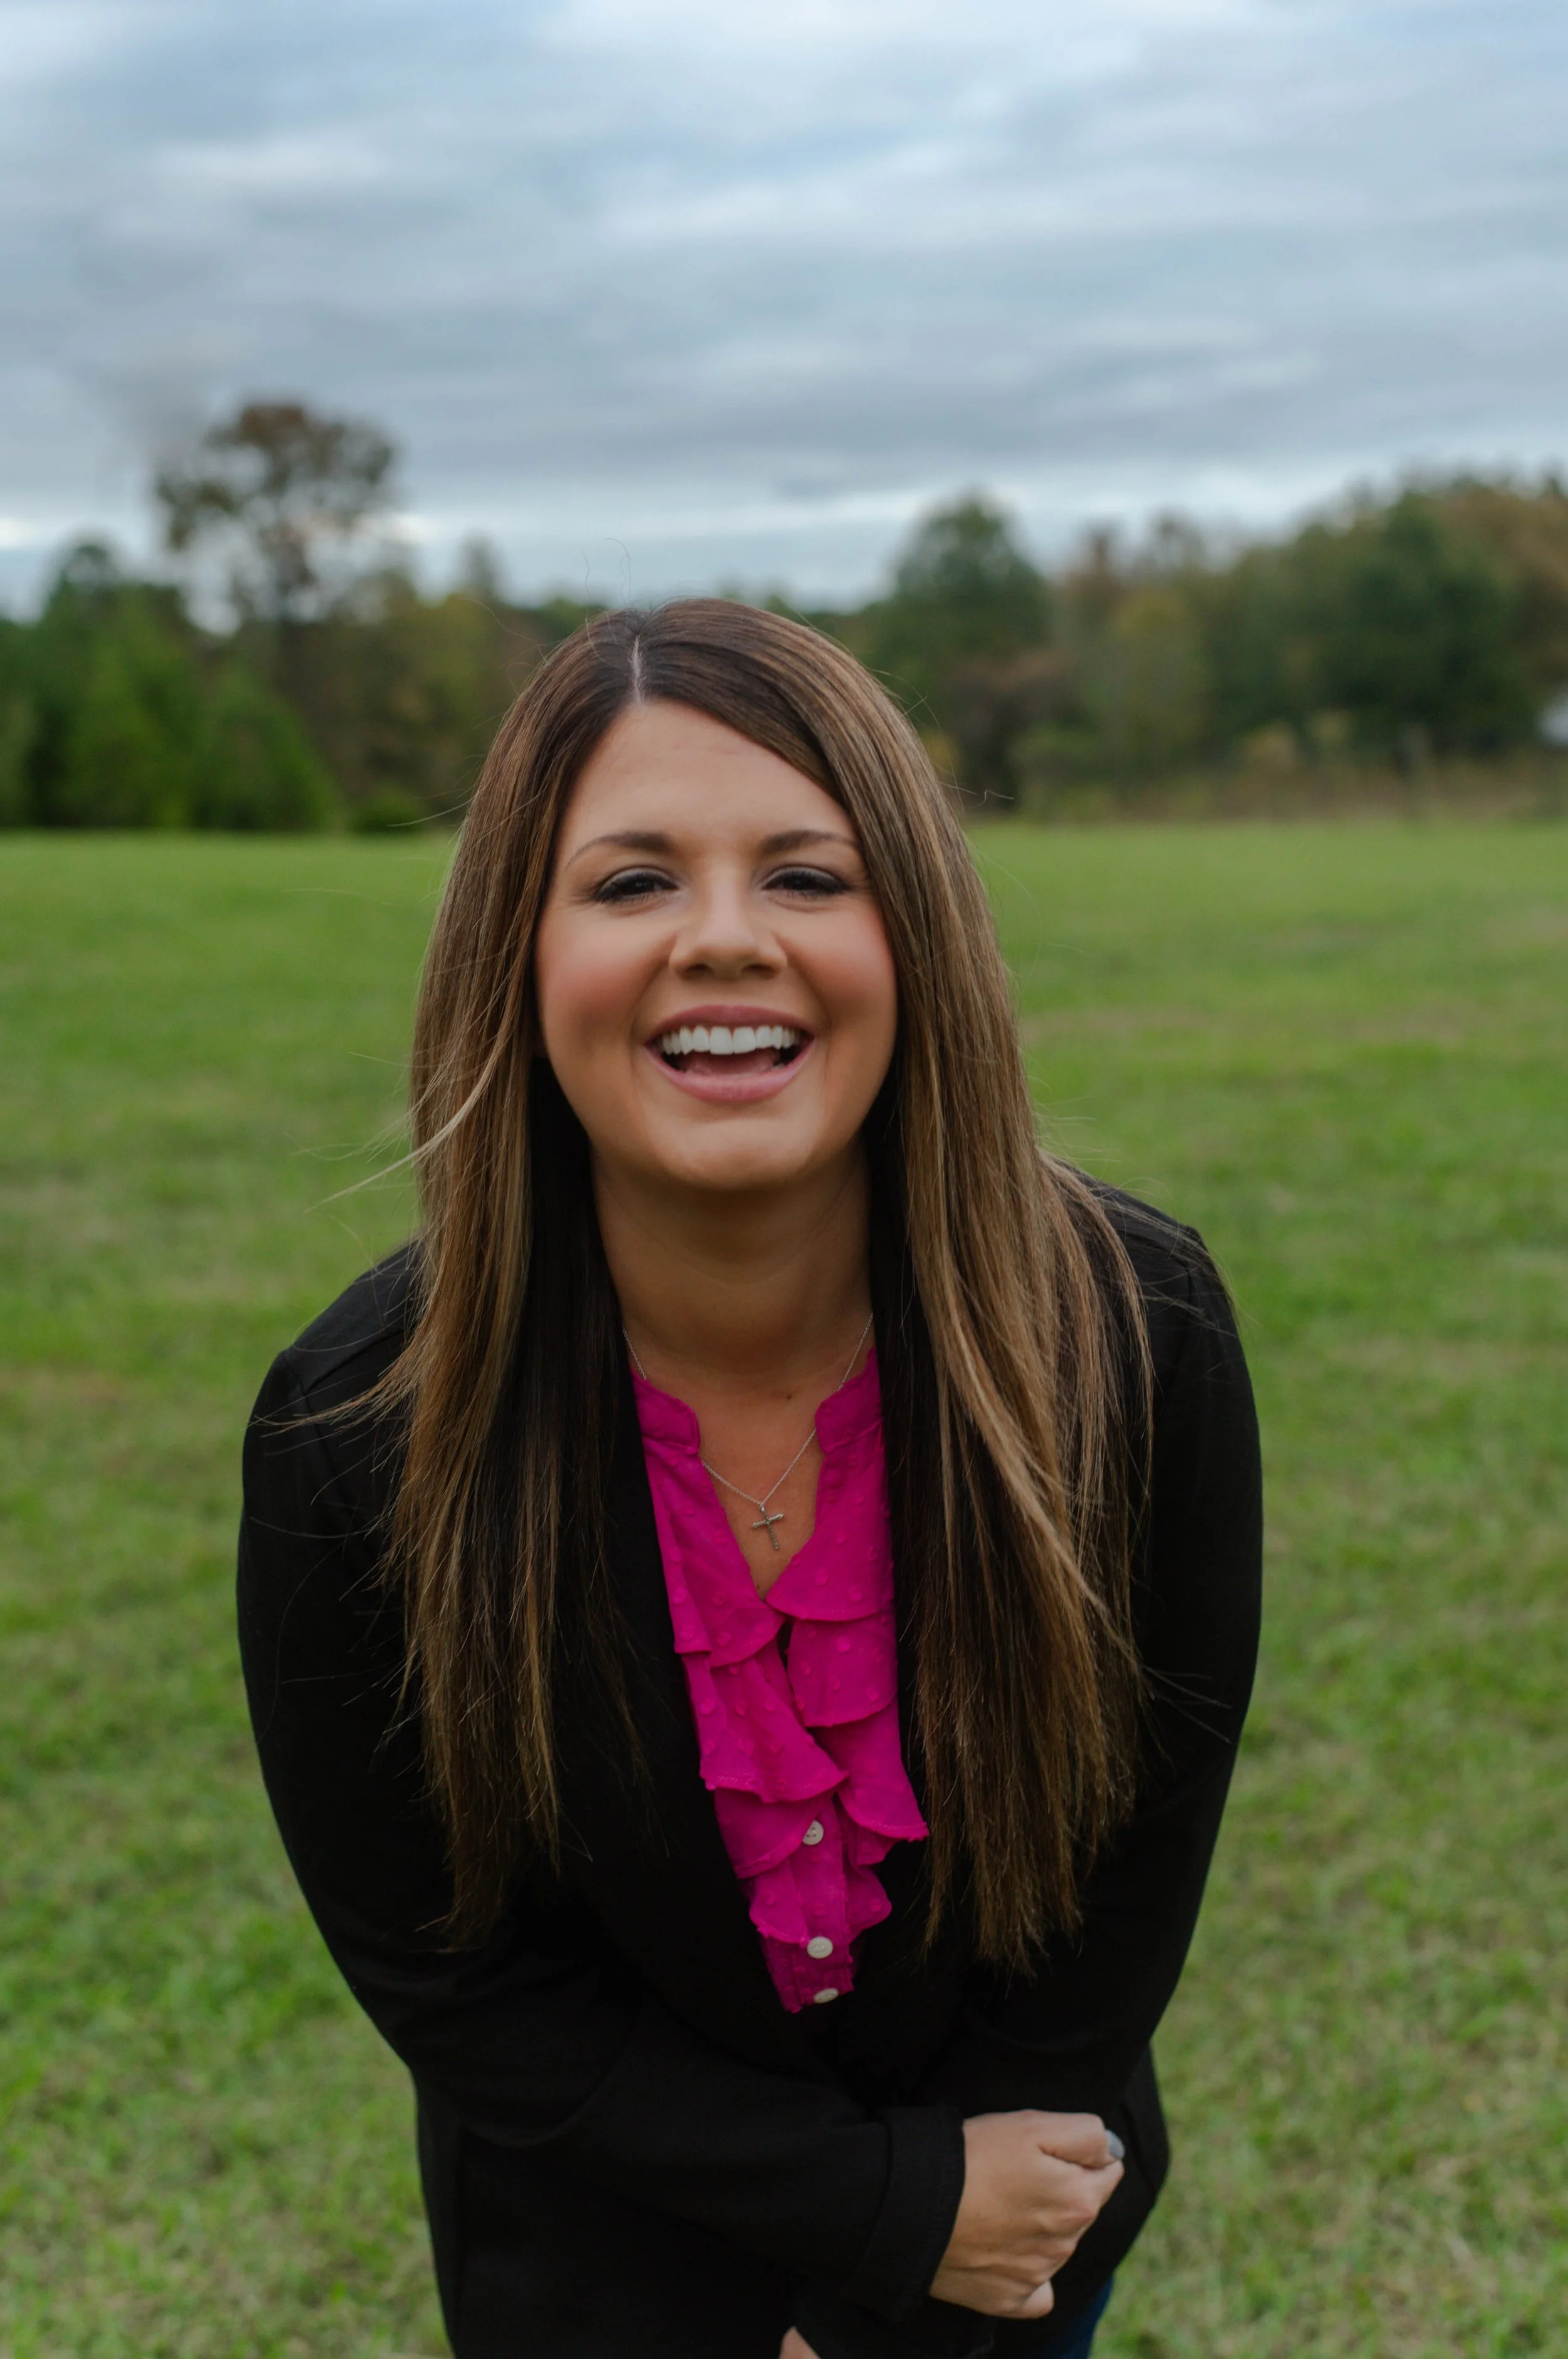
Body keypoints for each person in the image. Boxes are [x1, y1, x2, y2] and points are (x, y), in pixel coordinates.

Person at [238, 600, 1261, 2359]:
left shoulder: (1132, 1333)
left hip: (1007, 2233)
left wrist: (905, 2301)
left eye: (807, 875)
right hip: (604, 2255)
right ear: (515, 948)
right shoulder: (361, 1426)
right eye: (631, 882)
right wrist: (872, 2217)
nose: (723, 940)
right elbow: (449, 1977)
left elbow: (1125, 1874)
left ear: (918, 935)